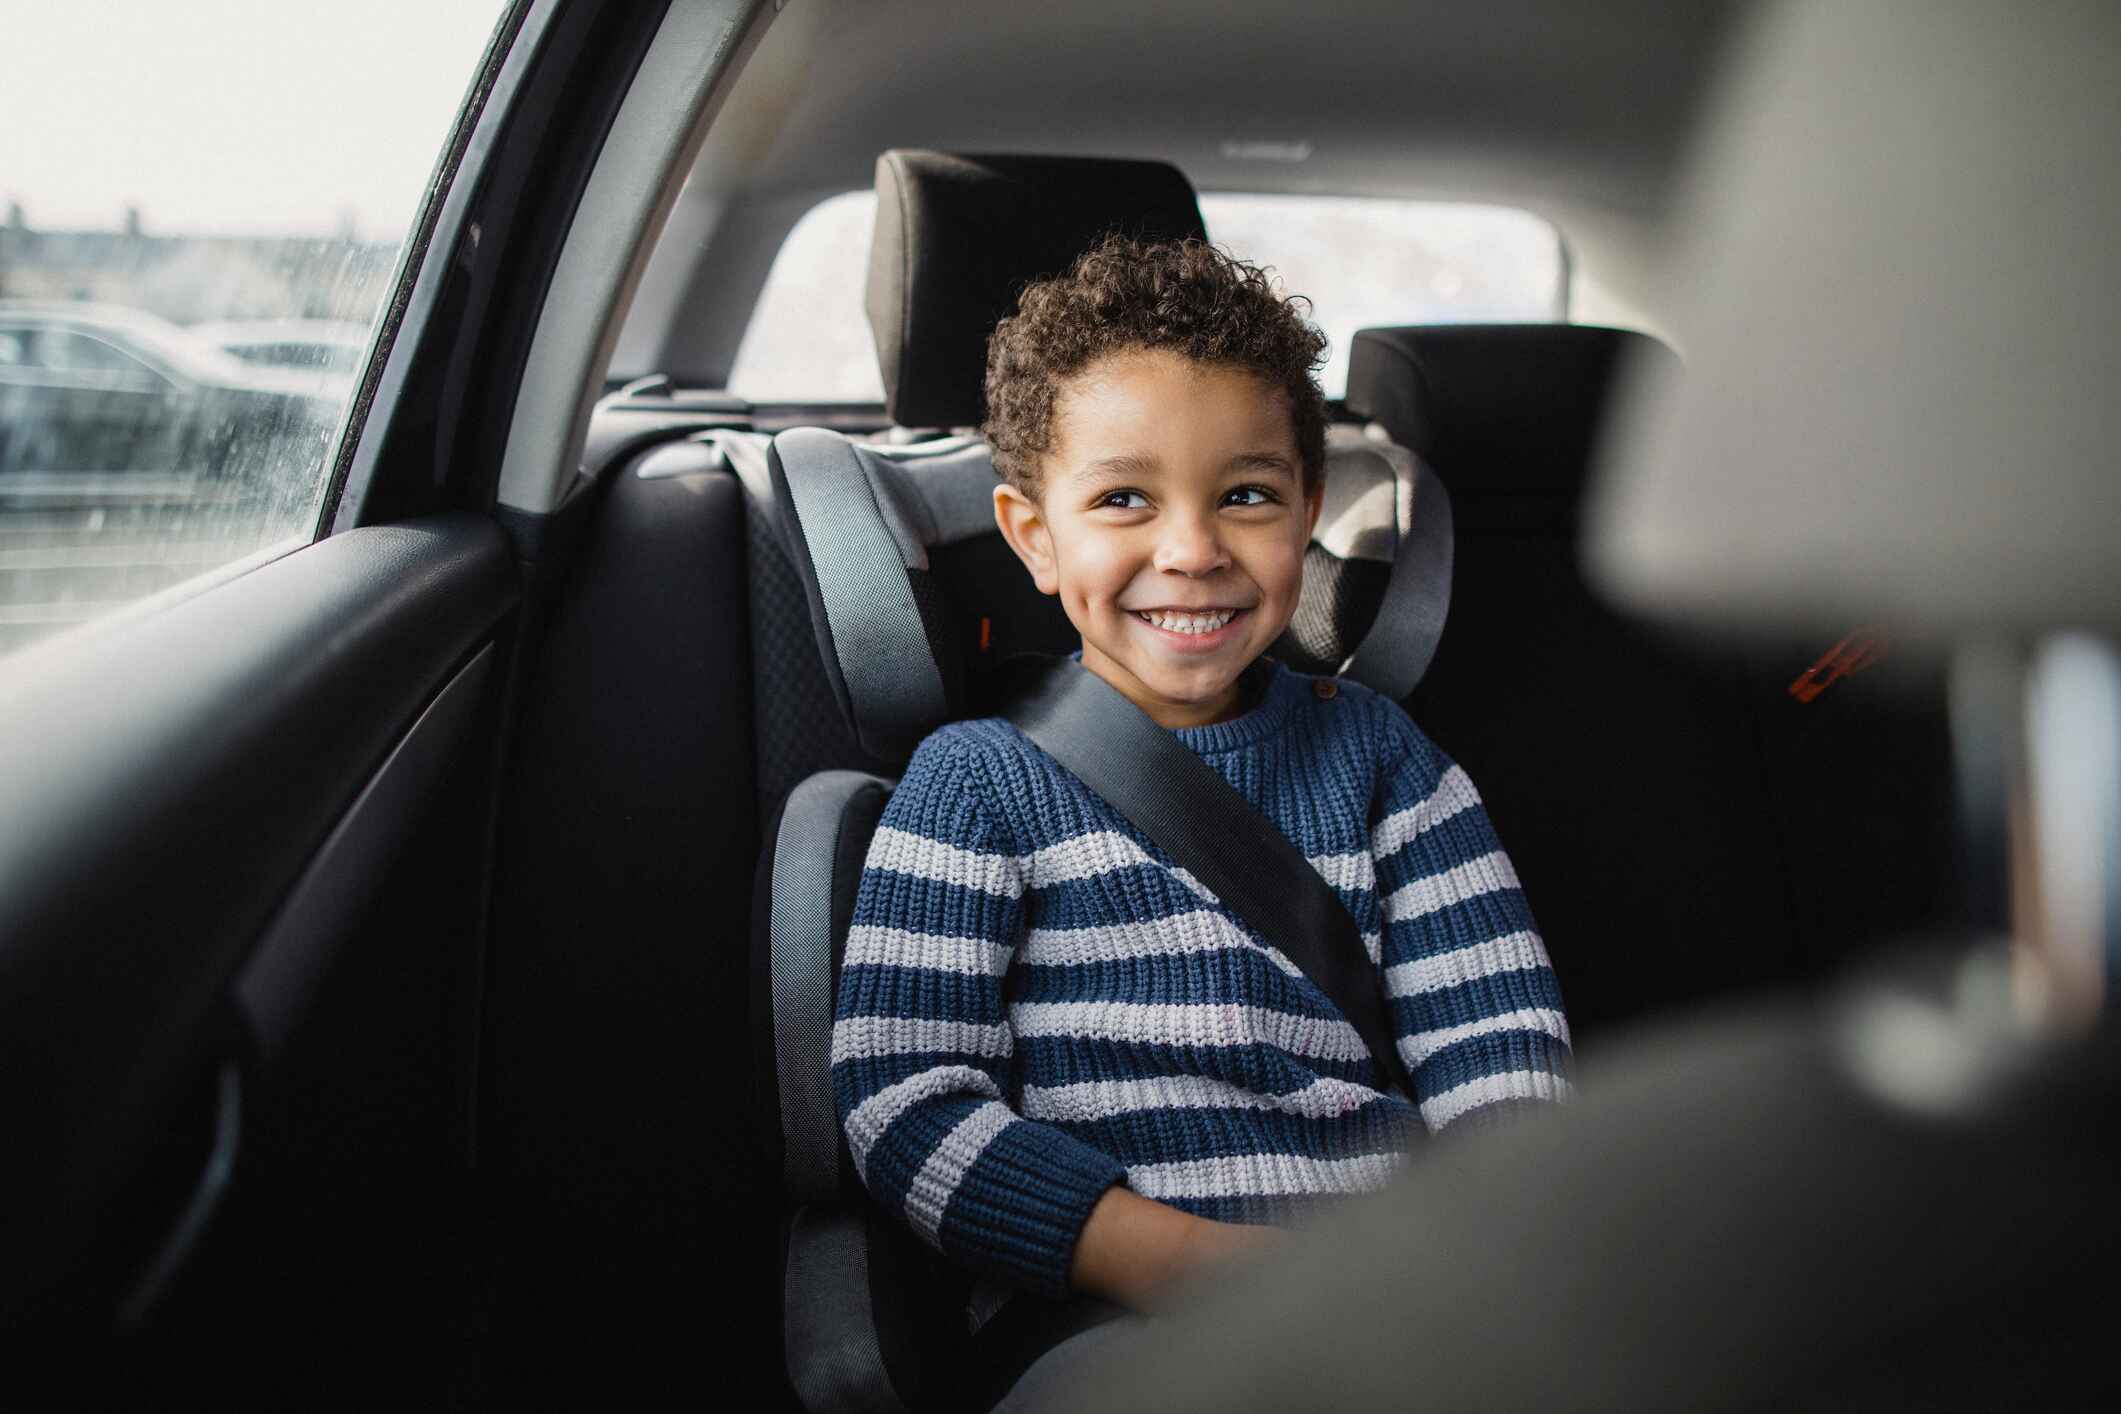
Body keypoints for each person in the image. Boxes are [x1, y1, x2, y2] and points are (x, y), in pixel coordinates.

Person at [828, 234, 1571, 1411]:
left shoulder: (1390, 766)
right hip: (1108, 1310)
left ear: (1307, 513)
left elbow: (1501, 1063)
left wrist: (1464, 1261)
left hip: (1391, 1293)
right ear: (1033, 533)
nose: (1190, 550)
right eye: (1124, 497)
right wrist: (1183, 1261)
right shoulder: (974, 785)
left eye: (1247, 495)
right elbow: (905, 1101)